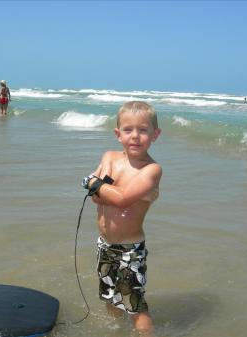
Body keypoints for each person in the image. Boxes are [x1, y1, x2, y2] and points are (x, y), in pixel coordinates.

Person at [82, 101, 162, 336]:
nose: (135, 136)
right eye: (128, 130)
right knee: (110, 297)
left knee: (135, 306)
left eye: (143, 130)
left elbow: (124, 199)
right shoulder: (110, 157)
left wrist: (95, 184)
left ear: (155, 134)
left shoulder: (151, 170)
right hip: (105, 245)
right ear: (118, 134)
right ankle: (115, 332)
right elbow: (96, 197)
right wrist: (100, 189)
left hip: (130, 250)